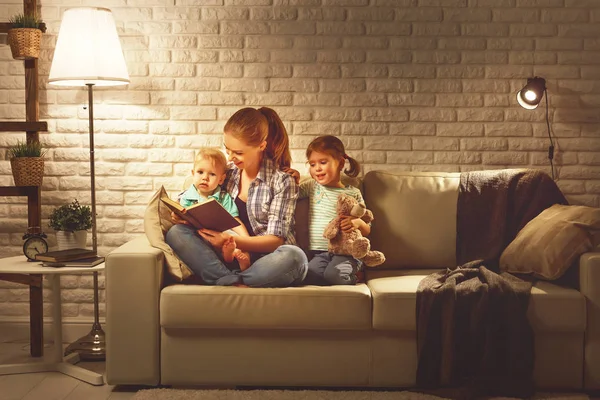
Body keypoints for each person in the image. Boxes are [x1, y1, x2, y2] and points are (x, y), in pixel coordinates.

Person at [166, 107, 308, 287]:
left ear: (261, 146)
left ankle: (230, 279)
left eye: (238, 152)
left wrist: (229, 240)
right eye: (228, 150)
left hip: (268, 260)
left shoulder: (282, 181)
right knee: (176, 233)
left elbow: (275, 241)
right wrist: (183, 214)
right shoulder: (228, 174)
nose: (231, 158)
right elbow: (197, 189)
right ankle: (231, 279)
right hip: (228, 254)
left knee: (295, 257)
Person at [300, 135, 370, 285]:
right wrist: (292, 179)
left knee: (335, 276)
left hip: (347, 253)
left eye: (323, 162)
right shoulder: (311, 187)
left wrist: (357, 222)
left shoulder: (353, 193)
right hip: (319, 253)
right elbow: (291, 194)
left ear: (340, 163)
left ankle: (356, 274)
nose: (317, 168)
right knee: (309, 277)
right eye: (312, 164)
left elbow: (367, 228)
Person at [179, 148, 250, 271]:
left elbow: (235, 220)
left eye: (212, 174)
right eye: (200, 172)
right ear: (193, 173)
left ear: (221, 179)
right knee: (180, 232)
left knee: (230, 236)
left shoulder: (223, 197)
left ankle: (234, 255)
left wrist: (247, 241)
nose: (205, 178)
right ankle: (228, 256)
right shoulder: (186, 197)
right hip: (200, 238)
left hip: (221, 236)